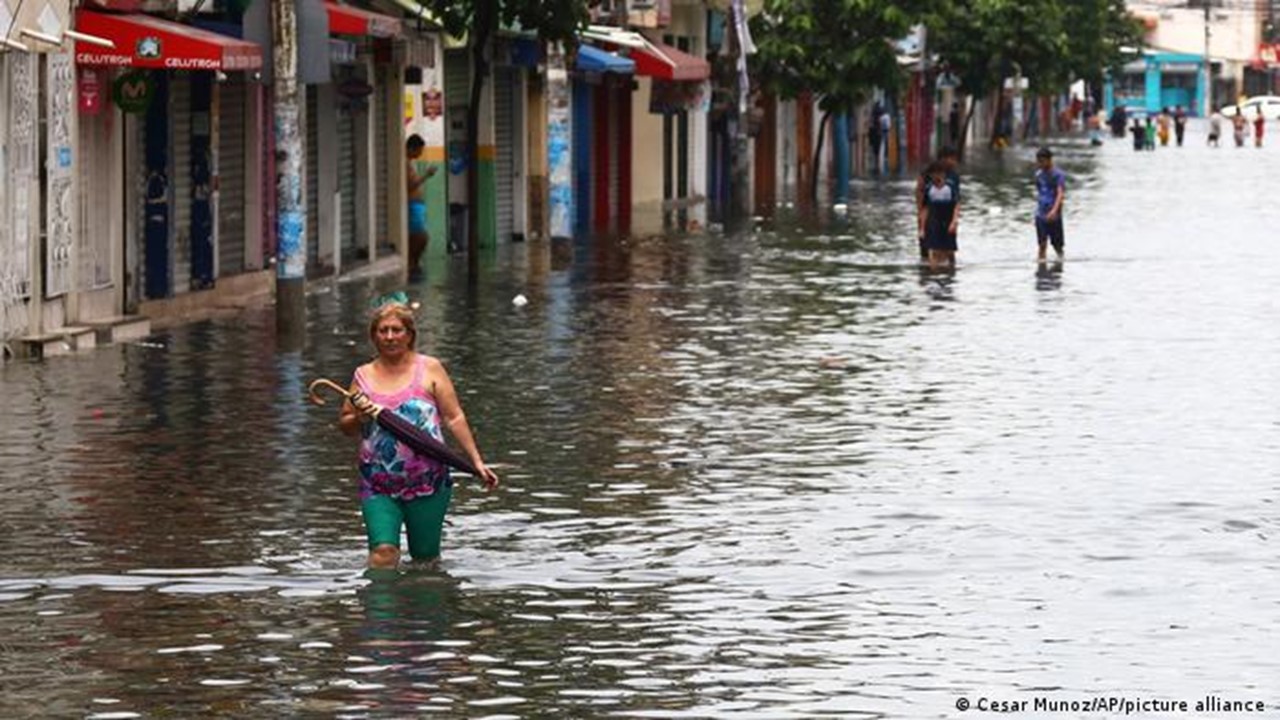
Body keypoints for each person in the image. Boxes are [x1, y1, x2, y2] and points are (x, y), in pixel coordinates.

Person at [339, 297, 500, 569]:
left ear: (409, 335)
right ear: (374, 336)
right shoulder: (362, 376)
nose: (390, 337)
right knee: (383, 552)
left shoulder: (430, 369)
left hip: (428, 481)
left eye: (396, 330)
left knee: (425, 558)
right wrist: (359, 416)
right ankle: (379, 609)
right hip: (378, 483)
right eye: (383, 331)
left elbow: (454, 416)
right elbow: (345, 423)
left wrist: (476, 461)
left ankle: (421, 608)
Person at [915, 146, 961, 263]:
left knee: (950, 249)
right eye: (953, 159)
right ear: (944, 159)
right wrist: (920, 214)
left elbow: (956, 200)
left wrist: (955, 220)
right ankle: (928, 270)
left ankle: (949, 272)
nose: (955, 162)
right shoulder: (929, 173)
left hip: (947, 216)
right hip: (931, 215)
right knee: (927, 246)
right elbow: (920, 193)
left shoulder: (953, 176)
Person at [406, 135, 438, 283]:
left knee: (420, 237)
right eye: (419, 150)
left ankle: (413, 263)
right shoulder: (405, 164)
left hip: (416, 206)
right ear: (411, 148)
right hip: (413, 206)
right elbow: (410, 185)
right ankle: (412, 263)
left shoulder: (409, 163)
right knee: (420, 237)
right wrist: (427, 175)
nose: (421, 153)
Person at [1033, 147, 1066, 264]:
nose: (1040, 164)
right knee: (1042, 244)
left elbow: (1060, 194)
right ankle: (1041, 271)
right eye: (1039, 161)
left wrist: (1054, 210)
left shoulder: (1058, 175)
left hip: (1054, 214)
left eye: (1042, 161)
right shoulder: (1038, 175)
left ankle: (1060, 265)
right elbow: (1039, 191)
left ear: (1049, 160)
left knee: (1057, 245)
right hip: (1041, 213)